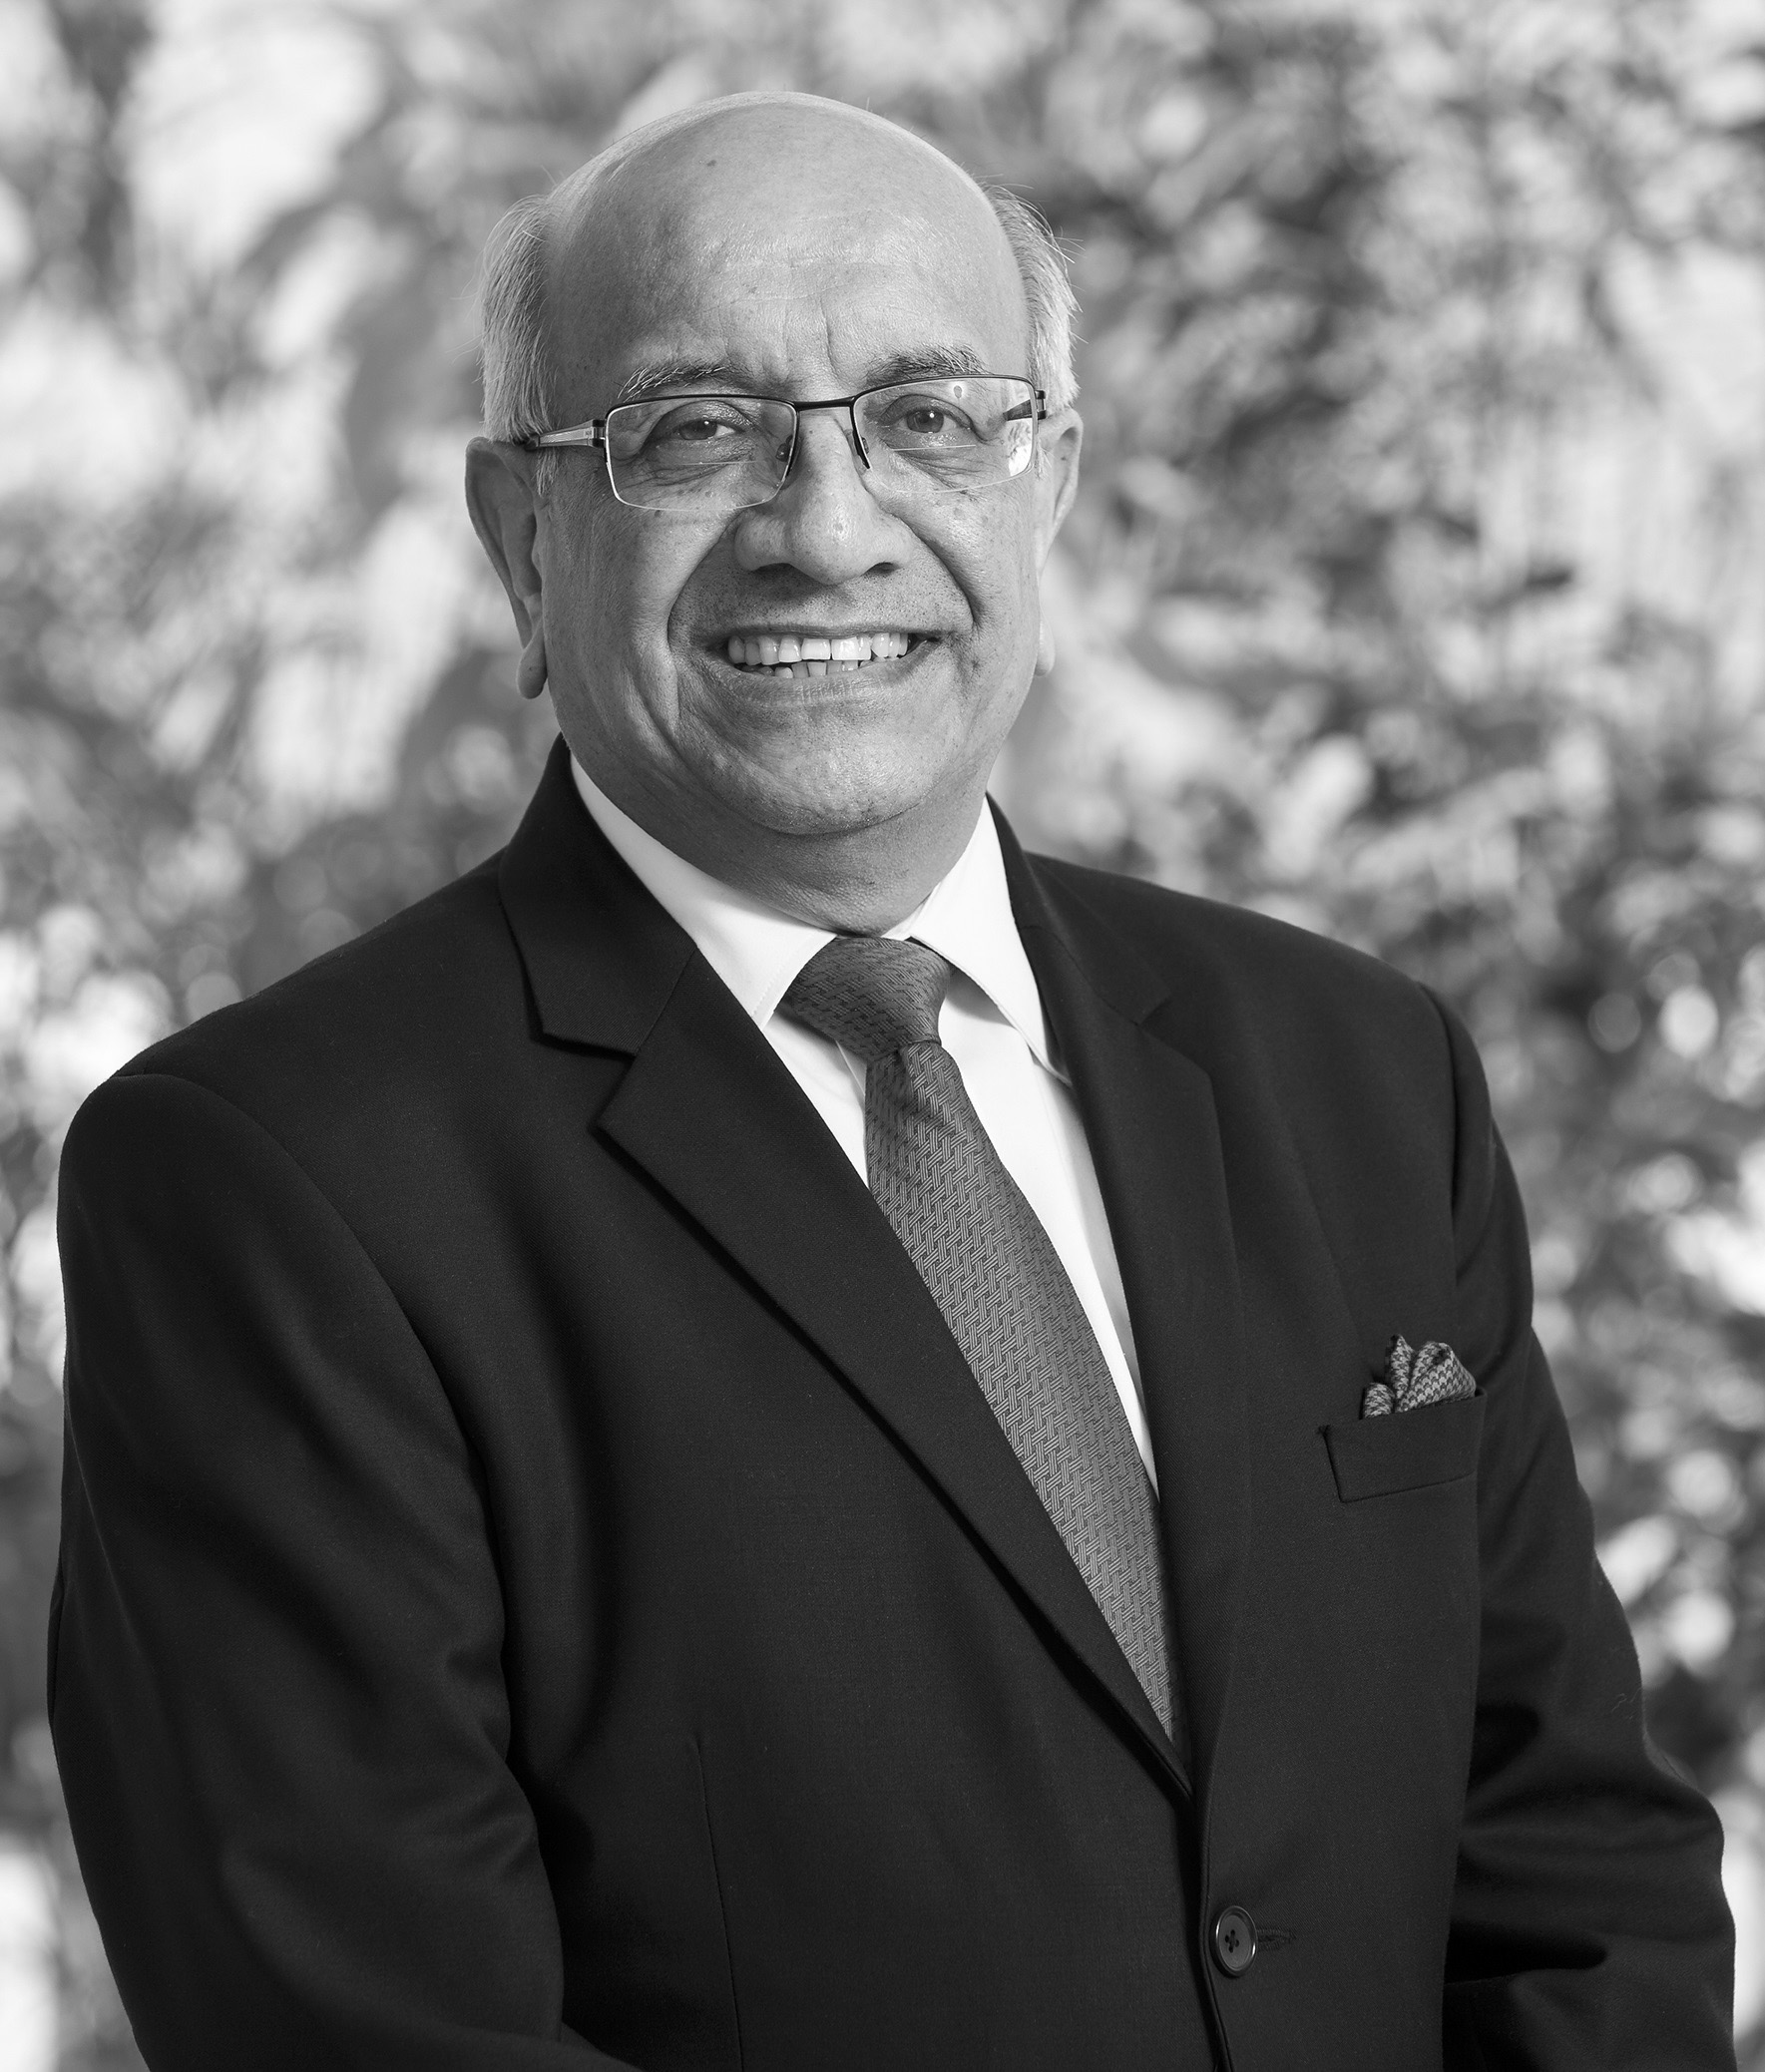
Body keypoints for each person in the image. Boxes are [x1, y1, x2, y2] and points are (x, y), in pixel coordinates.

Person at [51, 92, 1734, 2072]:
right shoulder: (277, 1180)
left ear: (1055, 489)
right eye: (695, 430)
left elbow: (1572, 1865)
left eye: (934, 416)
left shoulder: (1357, 1073)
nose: (830, 526)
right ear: (524, 534)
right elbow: (364, 2027)